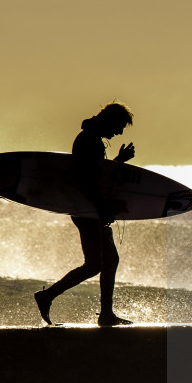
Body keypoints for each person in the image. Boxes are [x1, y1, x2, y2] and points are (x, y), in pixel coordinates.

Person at [33, 103, 135, 326]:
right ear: (109, 120)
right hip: (86, 209)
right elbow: (89, 181)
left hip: (89, 208)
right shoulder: (89, 140)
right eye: (118, 127)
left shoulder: (91, 139)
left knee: (109, 260)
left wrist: (117, 162)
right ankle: (47, 296)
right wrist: (101, 208)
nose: (118, 133)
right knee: (95, 264)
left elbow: (95, 173)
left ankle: (106, 314)